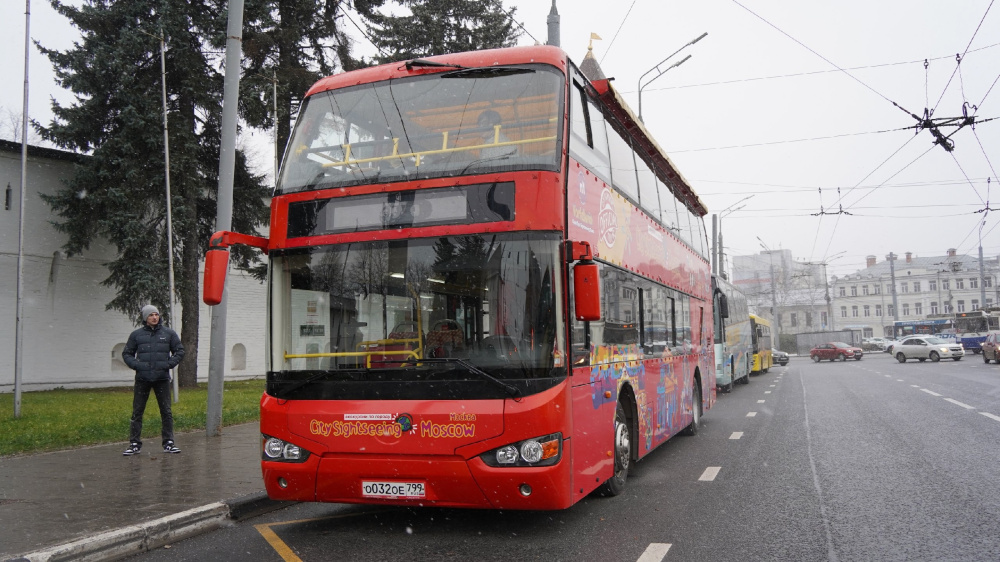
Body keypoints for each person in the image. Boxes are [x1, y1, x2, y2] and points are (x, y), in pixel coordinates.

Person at [121, 305, 184, 456]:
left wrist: (168, 365)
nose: (154, 317)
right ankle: (134, 444)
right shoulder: (136, 335)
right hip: (142, 379)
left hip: (161, 379)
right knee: (137, 412)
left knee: (166, 412)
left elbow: (179, 351)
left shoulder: (168, 333)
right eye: (151, 315)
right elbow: (127, 353)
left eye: (156, 314)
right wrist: (138, 366)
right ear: (145, 318)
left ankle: (168, 443)